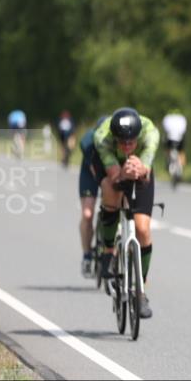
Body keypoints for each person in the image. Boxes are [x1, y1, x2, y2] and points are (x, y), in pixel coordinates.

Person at [93, 108, 159, 318]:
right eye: (122, 142)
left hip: (140, 168)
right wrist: (122, 173)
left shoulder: (150, 133)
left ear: (138, 136)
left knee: (143, 229)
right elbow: (114, 175)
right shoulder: (102, 137)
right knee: (110, 192)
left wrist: (141, 168)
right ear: (115, 138)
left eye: (131, 142)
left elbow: (146, 168)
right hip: (113, 167)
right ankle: (108, 250)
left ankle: (141, 291)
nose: (127, 146)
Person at [77, 116, 107, 276]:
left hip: (111, 168)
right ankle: (87, 255)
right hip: (91, 172)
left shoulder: (120, 139)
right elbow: (96, 173)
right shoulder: (88, 142)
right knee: (88, 214)